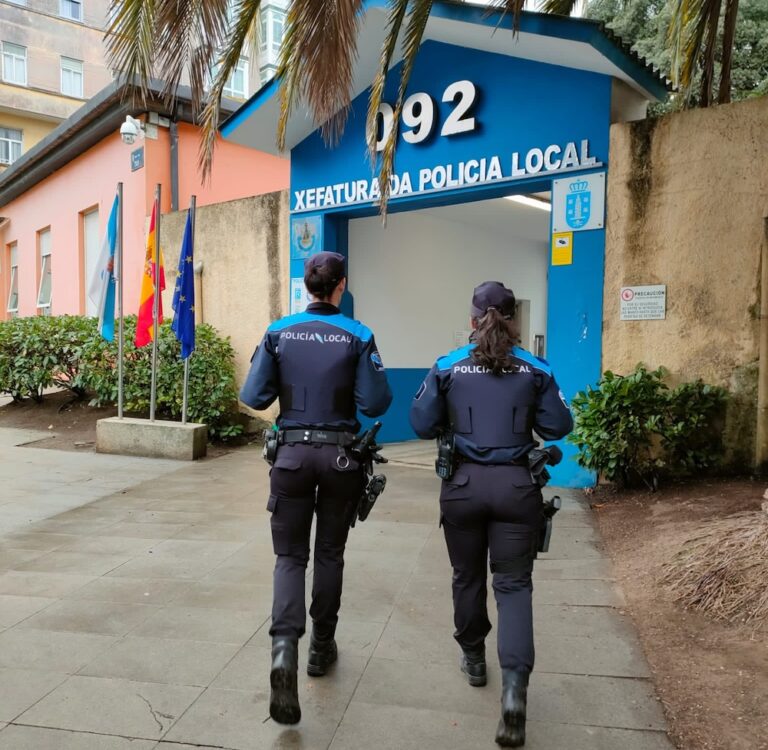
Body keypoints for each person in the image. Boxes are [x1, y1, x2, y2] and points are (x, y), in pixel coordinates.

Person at [409, 281, 573, 748]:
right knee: (514, 586)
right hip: (517, 488)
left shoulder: (447, 365)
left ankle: (474, 658)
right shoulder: (536, 368)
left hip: (462, 487)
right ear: (512, 319)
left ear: (473, 318)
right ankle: (515, 694)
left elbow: (420, 423)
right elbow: (559, 426)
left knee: (466, 577)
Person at [240, 251, 392, 725]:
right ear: (340, 286)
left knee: (290, 558)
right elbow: (377, 400)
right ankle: (320, 648)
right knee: (329, 553)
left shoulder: (278, 332)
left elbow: (253, 396)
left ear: (308, 286)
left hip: (290, 455)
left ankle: (284, 649)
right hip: (341, 457)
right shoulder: (359, 334)